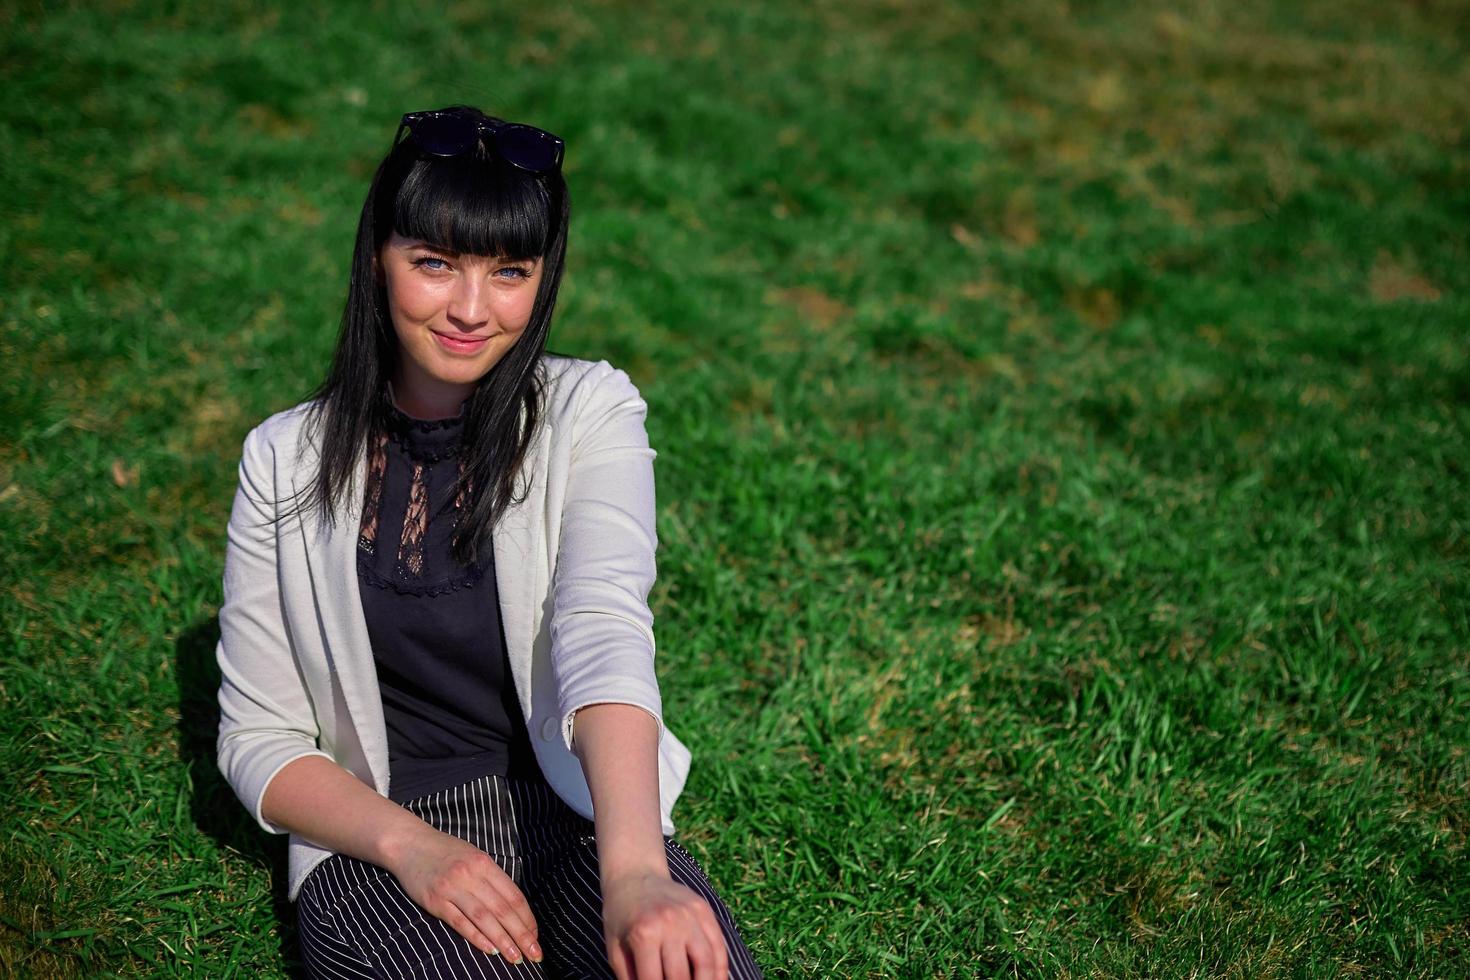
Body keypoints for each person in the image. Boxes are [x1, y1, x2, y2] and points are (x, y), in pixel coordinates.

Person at [214, 104, 764, 980]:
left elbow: (603, 627)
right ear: (376, 260)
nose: (472, 310)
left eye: (510, 270)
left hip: (574, 811)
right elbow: (258, 737)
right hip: (381, 839)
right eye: (434, 263)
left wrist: (633, 875)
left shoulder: (589, 412)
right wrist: (416, 850)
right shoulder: (283, 459)